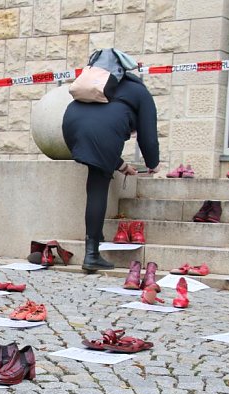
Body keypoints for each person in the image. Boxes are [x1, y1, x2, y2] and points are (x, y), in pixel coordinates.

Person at [62, 50, 159, 272]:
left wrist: (122, 166)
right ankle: (92, 254)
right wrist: (153, 163)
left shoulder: (93, 85)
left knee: (97, 169)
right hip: (101, 134)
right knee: (98, 184)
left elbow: (97, 131)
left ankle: (97, 236)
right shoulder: (138, 91)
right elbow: (148, 136)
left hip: (70, 127)